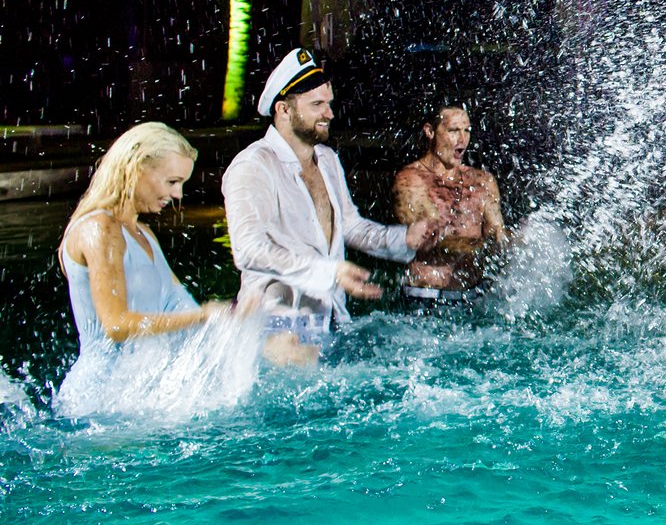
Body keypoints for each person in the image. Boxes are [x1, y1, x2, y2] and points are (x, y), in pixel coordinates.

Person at [223, 49, 436, 353]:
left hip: (331, 321)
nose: (329, 114)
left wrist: (404, 238)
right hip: (277, 328)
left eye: (329, 104)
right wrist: (329, 272)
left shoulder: (327, 160)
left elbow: (350, 225)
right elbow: (249, 250)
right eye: (317, 105)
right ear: (283, 110)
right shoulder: (253, 165)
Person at [55, 123, 233, 402]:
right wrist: (203, 316)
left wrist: (241, 320)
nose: (178, 194)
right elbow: (116, 325)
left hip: (140, 394)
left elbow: (183, 311)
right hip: (99, 399)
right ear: (136, 168)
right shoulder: (99, 229)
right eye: (172, 182)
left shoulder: (145, 235)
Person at [393, 104, 509, 304]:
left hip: (475, 296)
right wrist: (479, 244)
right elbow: (427, 239)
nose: (462, 139)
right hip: (426, 298)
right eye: (453, 130)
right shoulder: (411, 180)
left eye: (467, 131)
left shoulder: (483, 181)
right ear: (430, 131)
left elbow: (497, 236)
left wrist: (526, 240)